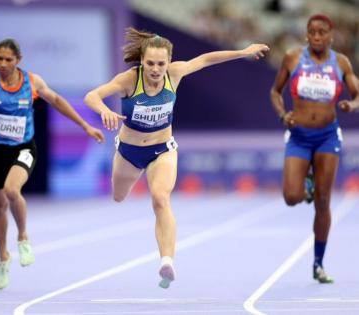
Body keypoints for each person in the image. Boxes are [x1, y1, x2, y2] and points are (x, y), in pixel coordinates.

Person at [84, 27, 269, 289]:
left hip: (162, 148)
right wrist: (105, 111)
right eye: (150, 63)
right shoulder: (129, 79)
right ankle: (162, 252)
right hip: (129, 151)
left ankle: (166, 261)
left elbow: (205, 59)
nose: (156, 69)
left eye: (161, 63)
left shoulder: (175, 73)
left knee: (160, 198)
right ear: (142, 61)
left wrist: (242, 52)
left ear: (169, 62)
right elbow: (92, 96)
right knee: (118, 196)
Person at [0, 38, 105, 290]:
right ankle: (3, 257)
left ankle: (23, 236)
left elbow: (58, 101)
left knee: (12, 191)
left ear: (18, 60)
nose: (3, 64)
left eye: (8, 59)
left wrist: (85, 125)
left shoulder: (32, 82)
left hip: (24, 148)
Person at [270, 14, 359, 283]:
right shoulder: (293, 57)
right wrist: (283, 115)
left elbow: (357, 95)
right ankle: (306, 181)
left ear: (331, 36)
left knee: (323, 201)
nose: (317, 37)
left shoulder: (340, 62)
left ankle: (318, 264)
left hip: (327, 137)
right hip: (299, 136)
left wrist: (350, 106)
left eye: (322, 32)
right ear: (306, 34)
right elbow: (275, 92)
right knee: (291, 196)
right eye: (312, 32)